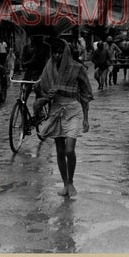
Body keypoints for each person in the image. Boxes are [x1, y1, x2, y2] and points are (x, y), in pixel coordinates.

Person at [34, 38, 93, 197]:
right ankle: (65, 184)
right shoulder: (50, 67)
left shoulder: (77, 68)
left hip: (73, 110)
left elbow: (86, 94)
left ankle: (71, 182)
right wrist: (41, 95)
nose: (58, 55)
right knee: (59, 150)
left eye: (61, 52)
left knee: (69, 149)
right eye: (55, 53)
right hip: (56, 111)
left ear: (66, 52)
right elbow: (42, 86)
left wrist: (86, 119)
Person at [21, 35, 50, 102]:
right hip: (29, 73)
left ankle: (39, 109)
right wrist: (23, 64)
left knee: (38, 91)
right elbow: (23, 59)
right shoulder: (27, 47)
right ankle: (23, 107)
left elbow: (47, 60)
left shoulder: (45, 47)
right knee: (24, 91)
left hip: (40, 73)